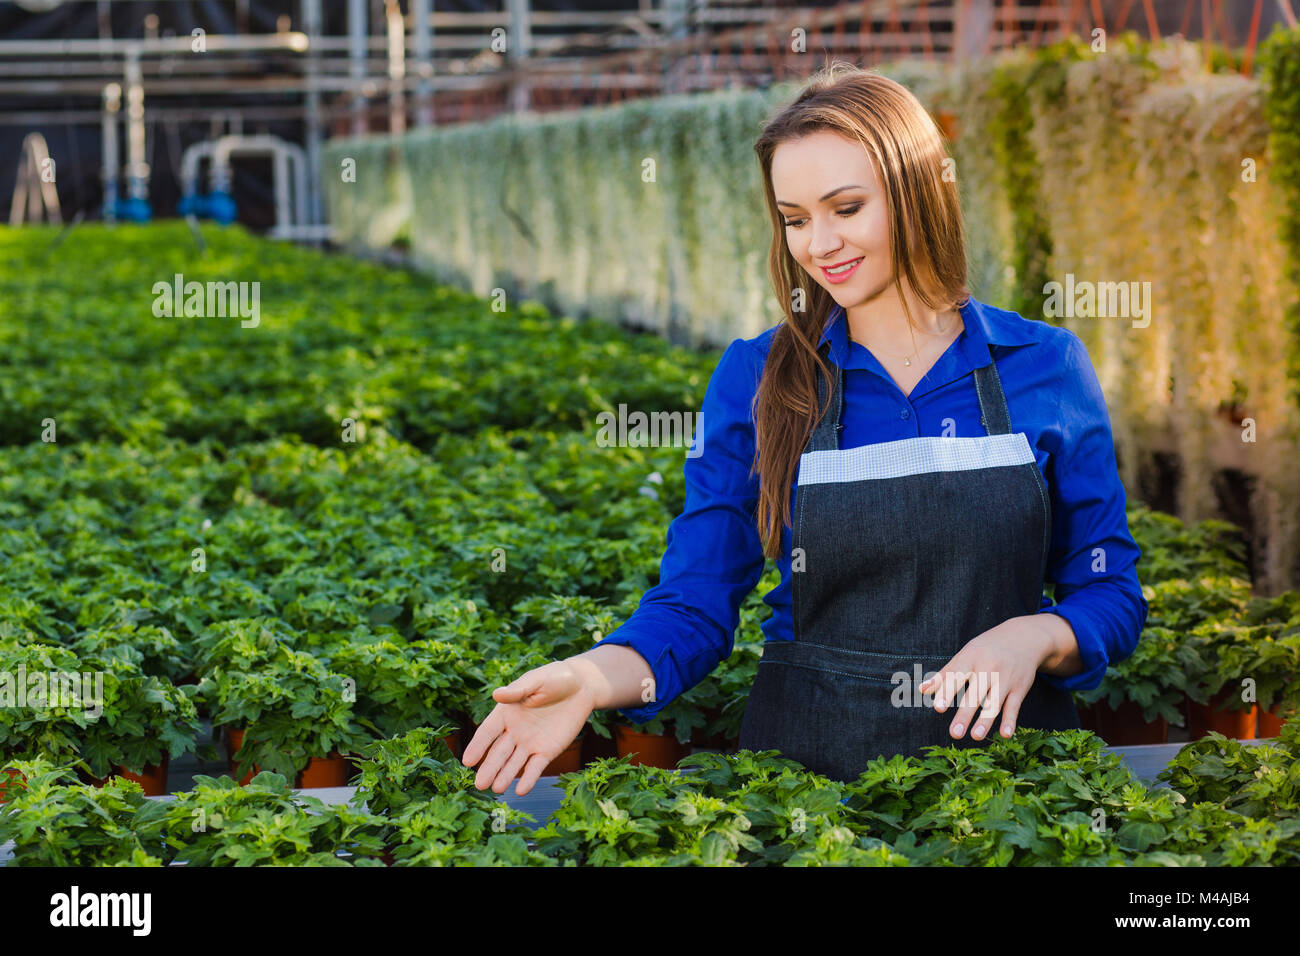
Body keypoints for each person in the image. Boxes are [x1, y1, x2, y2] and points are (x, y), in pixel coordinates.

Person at [462, 61, 1148, 793]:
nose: (818, 244)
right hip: (811, 792)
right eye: (794, 219)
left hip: (1012, 799)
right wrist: (589, 678)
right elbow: (695, 601)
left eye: (846, 208)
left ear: (918, 195)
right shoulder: (760, 378)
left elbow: (1109, 592)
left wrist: (1035, 634)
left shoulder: (1042, 365)